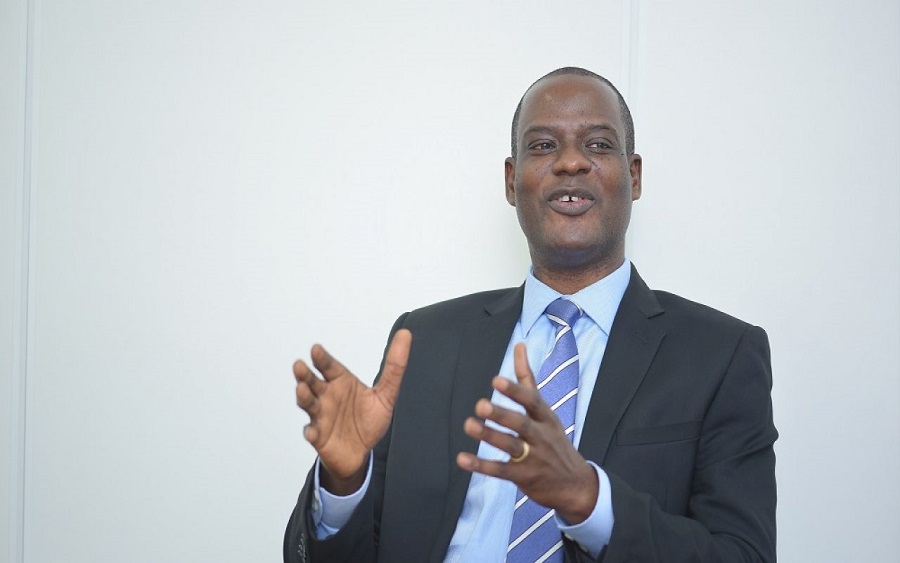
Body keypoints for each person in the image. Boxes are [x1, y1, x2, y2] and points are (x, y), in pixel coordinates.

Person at [284, 67, 777, 562]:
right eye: (542, 146)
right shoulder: (424, 342)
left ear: (634, 175)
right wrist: (345, 486)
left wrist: (590, 499)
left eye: (599, 145)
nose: (569, 163)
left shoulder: (721, 355)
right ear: (511, 179)